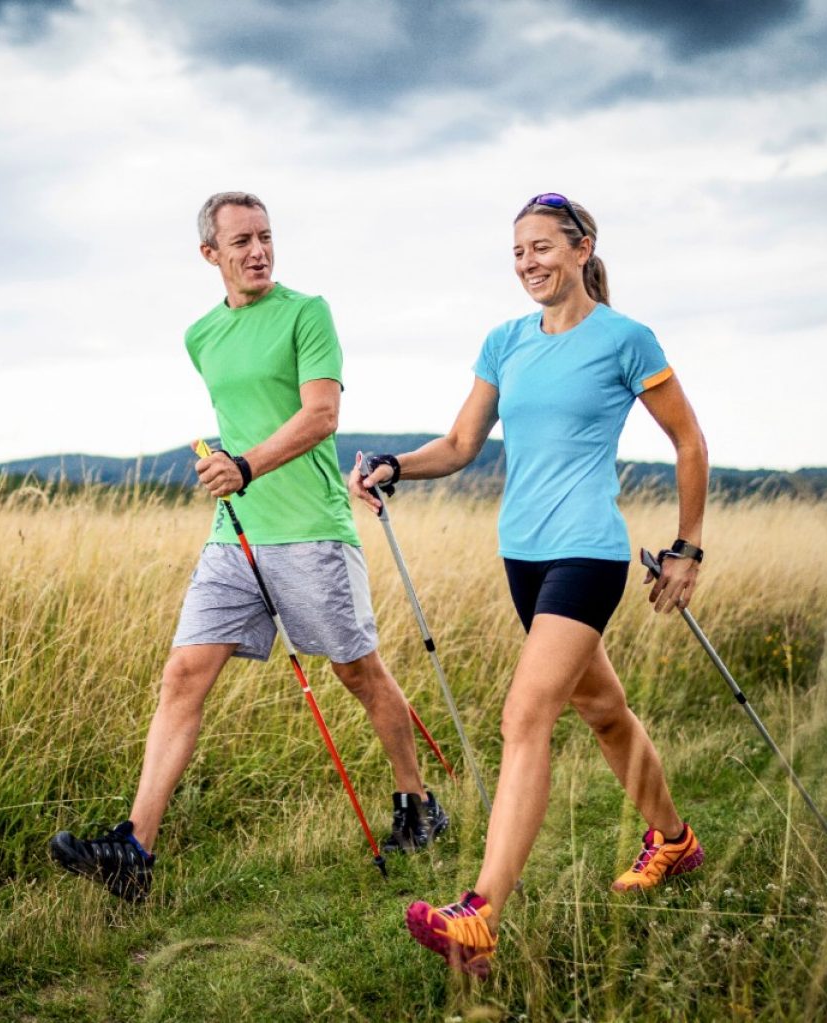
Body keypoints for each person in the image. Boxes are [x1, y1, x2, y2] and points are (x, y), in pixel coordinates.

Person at [49, 191, 448, 902]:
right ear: (211, 254)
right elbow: (239, 416)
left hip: (312, 530)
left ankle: (418, 805)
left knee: (359, 674)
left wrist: (246, 465)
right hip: (235, 535)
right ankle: (135, 851)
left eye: (266, 236)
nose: (258, 250)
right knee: (183, 674)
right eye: (241, 242)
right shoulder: (200, 335)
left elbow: (322, 415)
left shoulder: (307, 312)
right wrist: (229, 469)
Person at [350, 193, 709, 976]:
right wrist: (392, 465)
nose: (528, 264)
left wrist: (687, 548)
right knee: (605, 711)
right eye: (518, 252)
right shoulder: (504, 342)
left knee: (526, 714)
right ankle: (675, 843)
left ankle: (479, 914)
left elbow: (688, 441)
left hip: (587, 552)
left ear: (583, 249)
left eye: (543, 247)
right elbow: (459, 443)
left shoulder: (625, 338)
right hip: (522, 556)